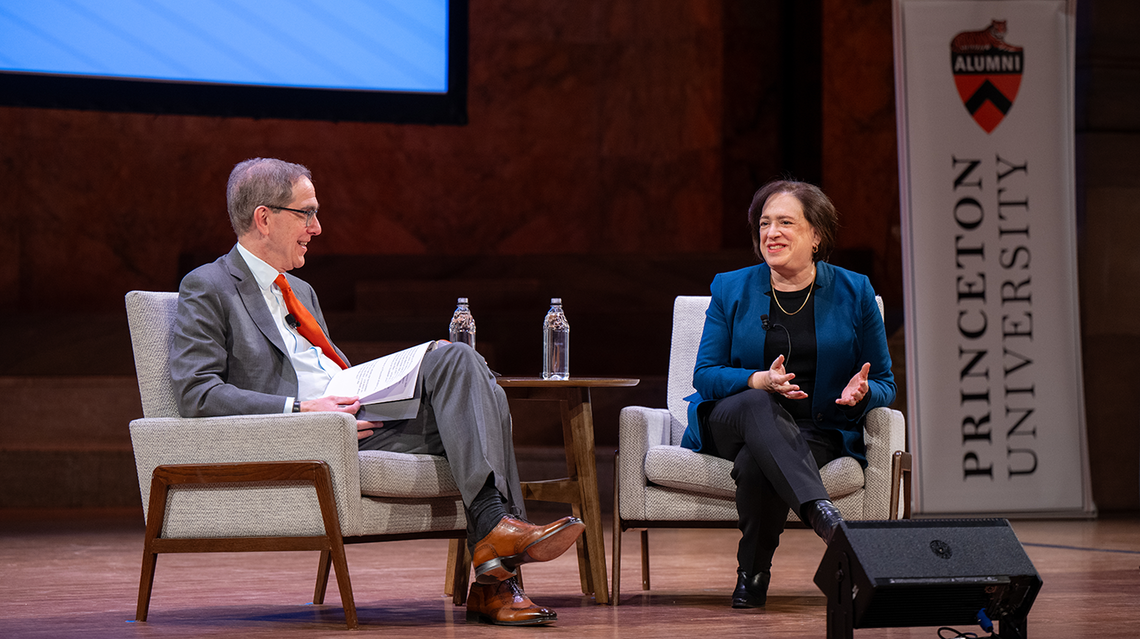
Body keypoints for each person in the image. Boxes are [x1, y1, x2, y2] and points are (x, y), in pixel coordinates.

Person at [169, 158, 584, 626]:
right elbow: (196, 393)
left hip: (358, 416)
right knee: (480, 395)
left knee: (463, 367)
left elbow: (330, 369)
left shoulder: (300, 290)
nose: (317, 227)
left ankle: (494, 551)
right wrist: (304, 409)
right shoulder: (209, 285)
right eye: (306, 213)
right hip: (309, 433)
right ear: (264, 218)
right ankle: (495, 578)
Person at [681, 179, 895, 608]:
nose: (771, 233)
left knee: (757, 465)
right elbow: (704, 375)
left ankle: (753, 576)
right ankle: (822, 514)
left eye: (785, 222)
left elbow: (886, 383)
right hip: (733, 418)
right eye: (764, 223)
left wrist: (863, 391)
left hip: (812, 430)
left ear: (816, 235)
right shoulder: (731, 287)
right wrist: (758, 380)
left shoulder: (855, 292)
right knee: (759, 404)